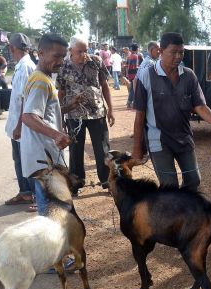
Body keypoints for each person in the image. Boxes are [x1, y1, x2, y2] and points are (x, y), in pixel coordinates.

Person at [131, 32, 211, 190]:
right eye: (174, 52)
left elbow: (201, 107)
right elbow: (140, 115)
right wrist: (137, 147)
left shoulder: (188, 76)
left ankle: (183, 207)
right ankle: (174, 211)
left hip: (184, 137)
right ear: (160, 51)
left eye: (182, 52)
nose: (178, 56)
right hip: (158, 140)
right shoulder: (146, 75)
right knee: (170, 186)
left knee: (194, 180)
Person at [19, 33, 70, 216]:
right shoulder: (40, 80)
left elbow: (41, 113)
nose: (61, 61)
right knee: (50, 211)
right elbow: (28, 116)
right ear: (40, 53)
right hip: (44, 158)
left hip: (44, 155)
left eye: (63, 56)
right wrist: (57, 135)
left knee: (51, 208)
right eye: (56, 56)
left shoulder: (43, 78)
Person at [57, 36, 115, 195]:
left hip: (97, 113)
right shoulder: (63, 66)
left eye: (86, 50)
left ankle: (107, 182)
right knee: (76, 151)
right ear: (70, 51)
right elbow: (61, 93)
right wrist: (61, 117)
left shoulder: (96, 61)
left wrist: (110, 109)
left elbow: (104, 85)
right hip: (74, 115)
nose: (83, 54)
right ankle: (76, 184)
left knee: (102, 149)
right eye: (79, 51)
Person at [3, 33, 36, 208]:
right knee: (19, 159)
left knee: (27, 160)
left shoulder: (25, 67)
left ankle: (36, 196)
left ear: (12, 48)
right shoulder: (22, 65)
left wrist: (19, 125)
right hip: (19, 122)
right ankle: (25, 193)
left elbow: (25, 99)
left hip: (22, 124)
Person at [126, 43, 143, 109]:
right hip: (134, 74)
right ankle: (130, 102)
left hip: (130, 74)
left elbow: (127, 65)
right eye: (138, 48)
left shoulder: (129, 56)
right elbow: (135, 67)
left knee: (132, 89)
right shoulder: (135, 56)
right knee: (134, 89)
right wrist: (141, 68)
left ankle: (129, 102)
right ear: (136, 49)